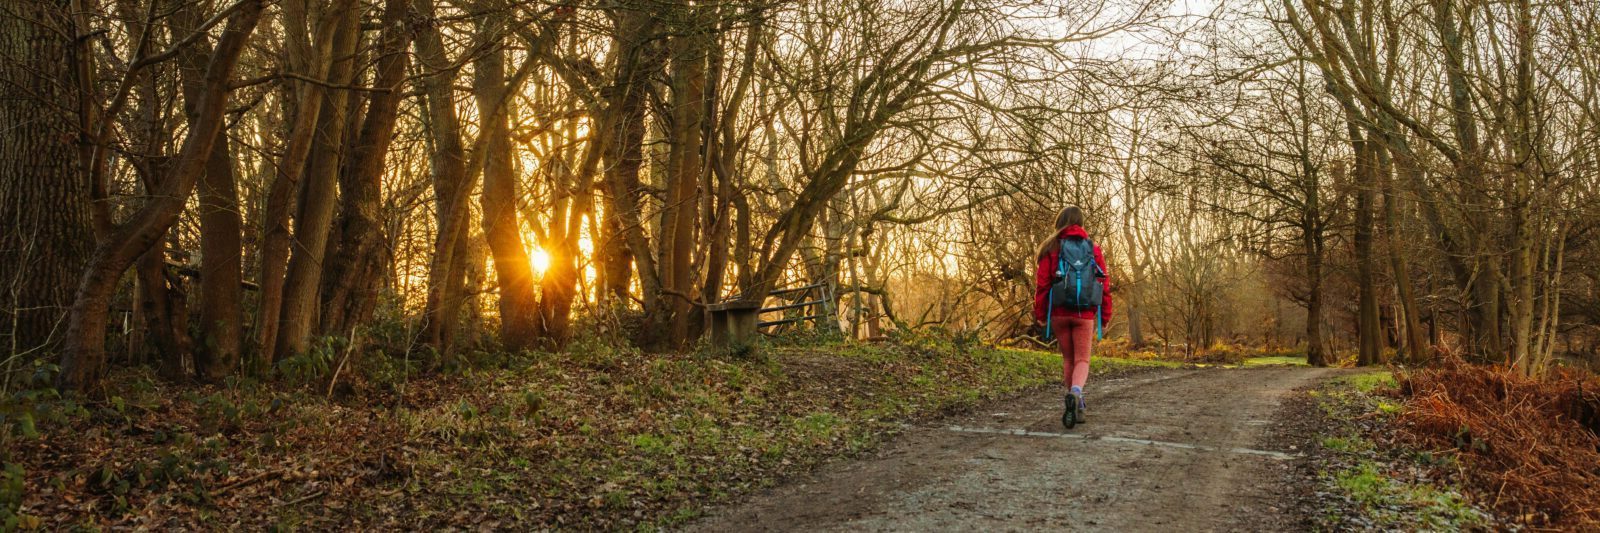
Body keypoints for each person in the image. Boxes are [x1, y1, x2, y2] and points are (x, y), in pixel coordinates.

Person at [1032, 206, 1112, 428]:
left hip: (1058, 312)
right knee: (1082, 360)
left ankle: (1079, 403)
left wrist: (1041, 314)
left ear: (1059, 223)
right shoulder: (1092, 249)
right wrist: (1104, 317)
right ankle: (1077, 393)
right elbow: (1103, 286)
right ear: (1081, 223)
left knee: (1068, 359)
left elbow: (1042, 285)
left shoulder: (1049, 248)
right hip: (1084, 313)